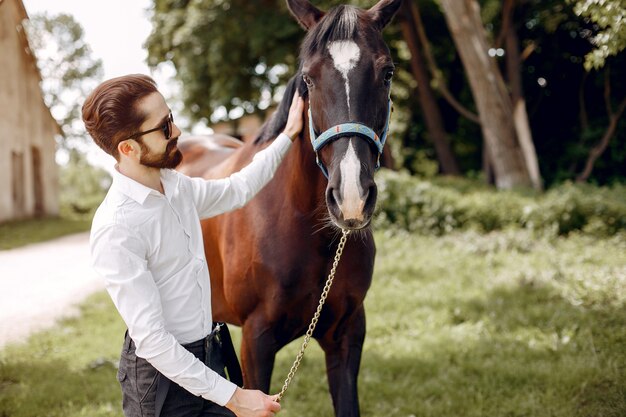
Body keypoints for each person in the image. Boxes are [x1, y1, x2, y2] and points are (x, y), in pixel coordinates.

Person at [84, 74, 304, 417]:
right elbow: (154, 341)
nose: (177, 132)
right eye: (164, 126)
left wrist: (287, 135)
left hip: (209, 357)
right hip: (161, 385)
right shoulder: (116, 228)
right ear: (128, 148)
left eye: (171, 118)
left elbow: (238, 189)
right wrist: (235, 397)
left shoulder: (176, 187)